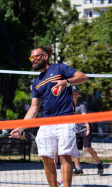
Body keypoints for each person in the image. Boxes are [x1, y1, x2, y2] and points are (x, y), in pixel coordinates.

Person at [10, 46, 88, 187]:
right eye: (31, 58)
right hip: (48, 122)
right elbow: (34, 108)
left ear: (45, 56)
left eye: (36, 57)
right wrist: (20, 127)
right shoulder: (36, 82)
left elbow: (83, 77)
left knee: (65, 157)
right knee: (46, 158)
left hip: (66, 119)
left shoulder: (59, 69)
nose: (33, 60)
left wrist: (66, 82)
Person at [71, 86, 104, 176]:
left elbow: (84, 117)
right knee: (75, 150)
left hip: (85, 129)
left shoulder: (81, 105)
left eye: (76, 94)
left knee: (88, 147)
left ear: (78, 95)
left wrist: (88, 128)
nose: (74, 95)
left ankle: (99, 163)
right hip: (75, 130)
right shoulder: (68, 105)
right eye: (72, 94)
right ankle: (78, 169)